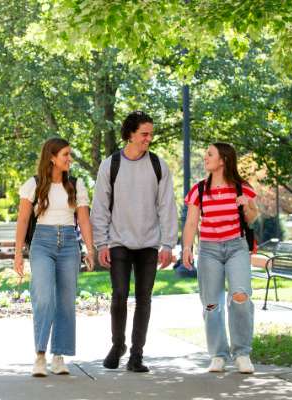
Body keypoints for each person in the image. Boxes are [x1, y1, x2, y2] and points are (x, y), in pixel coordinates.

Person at [91, 111, 178, 373]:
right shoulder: (111, 165)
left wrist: (167, 244)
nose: (148, 139)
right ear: (130, 134)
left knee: (144, 299)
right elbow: (100, 207)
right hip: (118, 241)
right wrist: (101, 243)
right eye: (144, 134)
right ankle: (118, 345)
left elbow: (167, 206)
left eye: (151, 134)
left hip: (149, 243)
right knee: (119, 296)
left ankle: (137, 355)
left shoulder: (158, 165)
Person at [14, 137, 95, 378]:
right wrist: (18, 254)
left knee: (65, 301)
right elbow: (23, 220)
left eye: (70, 154)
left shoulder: (76, 185)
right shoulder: (34, 184)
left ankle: (58, 357)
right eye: (65, 155)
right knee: (44, 297)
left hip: (70, 244)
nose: (70, 159)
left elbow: (83, 219)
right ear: (52, 157)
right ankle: (40, 356)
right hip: (42, 243)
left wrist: (90, 249)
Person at [182, 142, 259, 374]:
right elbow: (191, 222)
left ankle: (242, 353)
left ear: (223, 160)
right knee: (211, 304)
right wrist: (187, 247)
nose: (205, 157)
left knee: (240, 295)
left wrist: (249, 205)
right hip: (209, 250)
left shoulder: (241, 187)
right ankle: (218, 355)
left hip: (236, 247)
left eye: (210, 154)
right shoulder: (199, 190)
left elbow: (252, 218)